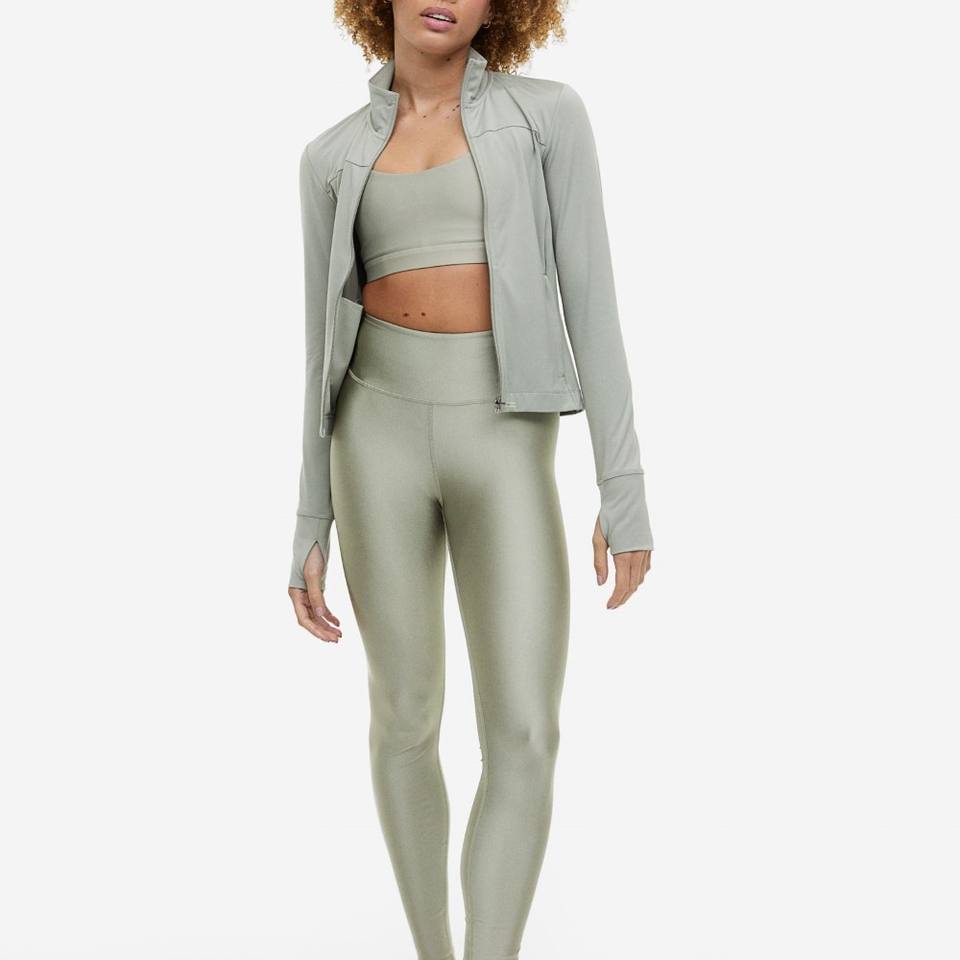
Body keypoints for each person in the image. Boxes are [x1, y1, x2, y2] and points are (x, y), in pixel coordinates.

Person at [287, 2, 654, 957]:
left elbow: (594, 301)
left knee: (525, 732)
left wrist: (622, 487)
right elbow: (319, 349)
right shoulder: (330, 157)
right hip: (372, 439)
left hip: (506, 435)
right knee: (405, 719)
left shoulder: (547, 116)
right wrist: (309, 517)